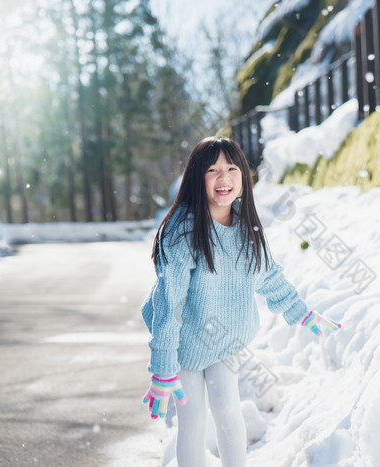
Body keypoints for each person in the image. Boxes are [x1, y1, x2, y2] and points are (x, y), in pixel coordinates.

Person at [140, 136, 341, 467]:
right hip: (184, 339)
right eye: (213, 170)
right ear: (196, 177)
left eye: (232, 168)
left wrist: (303, 315)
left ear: (243, 178)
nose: (224, 178)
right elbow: (168, 303)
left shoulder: (246, 226)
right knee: (192, 421)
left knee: (228, 410)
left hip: (223, 338)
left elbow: (269, 277)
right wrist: (163, 367)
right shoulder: (182, 231)